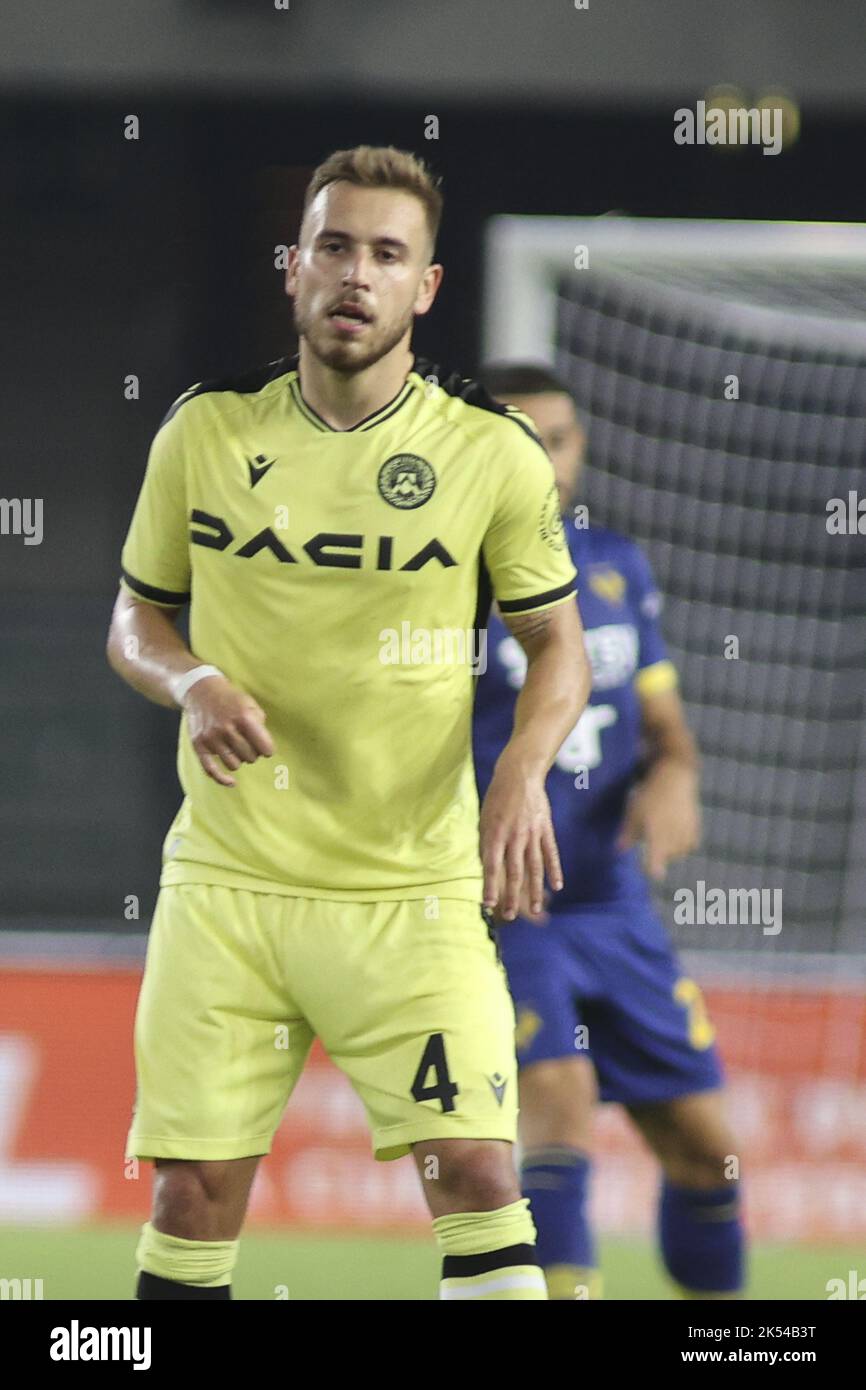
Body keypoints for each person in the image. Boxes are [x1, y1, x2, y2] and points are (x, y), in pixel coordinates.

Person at [106, 147, 591, 1301]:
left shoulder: (488, 455)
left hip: (408, 895)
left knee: (476, 1170)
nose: (355, 275)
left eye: (386, 254)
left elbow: (557, 648)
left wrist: (522, 768)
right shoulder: (205, 434)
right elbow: (135, 620)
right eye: (334, 247)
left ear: (423, 287)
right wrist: (192, 683)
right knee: (188, 1198)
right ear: (293, 269)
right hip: (229, 885)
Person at [472, 362, 745, 1300]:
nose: (544, 461)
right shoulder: (437, 583)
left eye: (560, 439)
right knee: (560, 1096)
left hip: (613, 900)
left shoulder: (617, 568)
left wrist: (677, 778)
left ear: (580, 449)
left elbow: (668, 736)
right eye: (521, 439)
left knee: (708, 1153)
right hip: (505, 902)